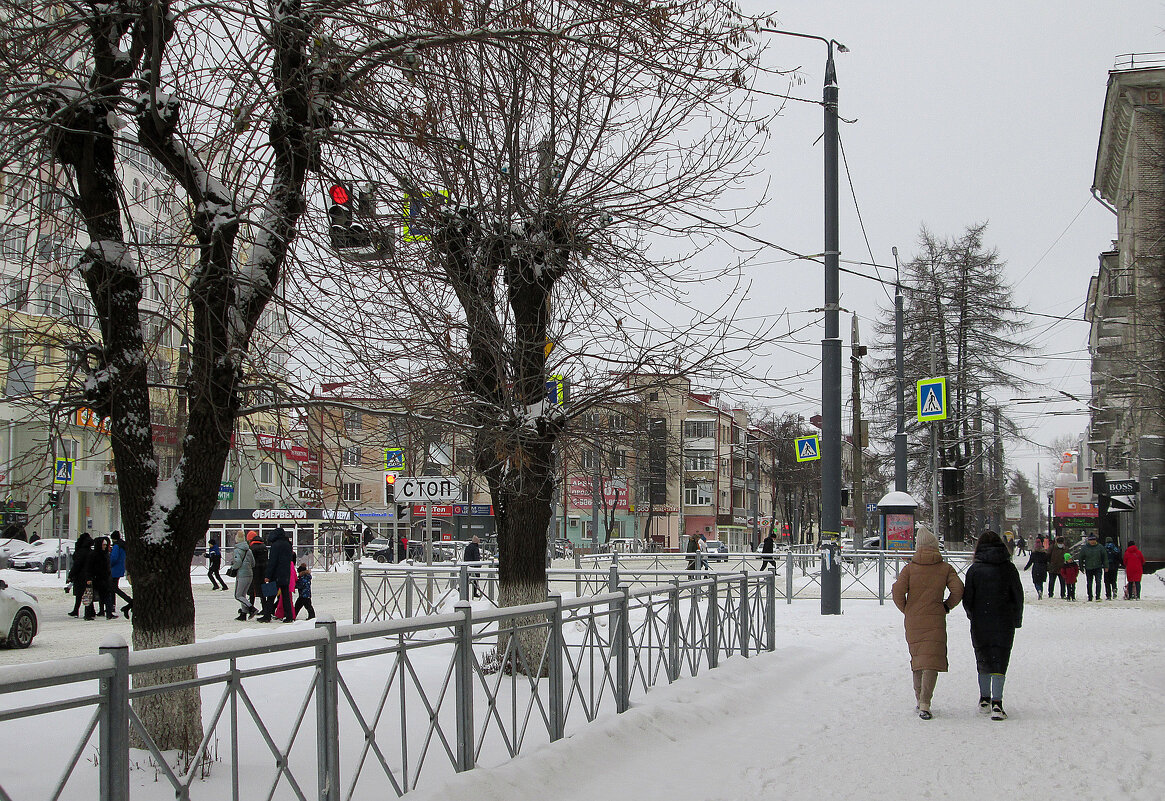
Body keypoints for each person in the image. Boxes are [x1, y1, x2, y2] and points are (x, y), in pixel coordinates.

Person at [891, 526, 964, 720]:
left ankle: (918, 699)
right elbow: (958, 590)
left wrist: (906, 609)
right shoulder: (945, 568)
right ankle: (925, 702)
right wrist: (946, 606)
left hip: (913, 619)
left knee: (918, 660)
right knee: (931, 659)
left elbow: (897, 591)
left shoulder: (909, 569)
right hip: (935, 618)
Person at [962, 530, 1023, 721]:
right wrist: (1016, 619)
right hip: (1004, 620)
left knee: (983, 656)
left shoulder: (974, 569)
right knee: (1000, 657)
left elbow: (968, 598)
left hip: (981, 620)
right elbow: (1018, 596)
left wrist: (972, 614)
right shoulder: (1009, 568)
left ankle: (984, 698)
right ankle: (997, 702)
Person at [260, 526, 294, 623]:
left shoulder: (276, 545)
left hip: (276, 574)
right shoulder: (288, 544)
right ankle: (289, 616)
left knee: (270, 596)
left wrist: (268, 575)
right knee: (286, 596)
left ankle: (267, 616)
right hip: (285, 574)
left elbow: (272, 562)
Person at [228, 531, 257, 621]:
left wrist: (233, 567)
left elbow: (238, 562)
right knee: (243, 595)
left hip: (241, 574)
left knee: (238, 595)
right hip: (250, 574)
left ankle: (251, 608)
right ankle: (243, 614)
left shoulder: (237, 550)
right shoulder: (248, 550)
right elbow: (253, 563)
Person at [67, 533, 94, 618]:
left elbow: (77, 565)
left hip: (80, 575)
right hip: (88, 575)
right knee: (88, 593)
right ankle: (90, 611)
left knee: (80, 594)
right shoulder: (91, 551)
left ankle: (78, 611)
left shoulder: (80, 552)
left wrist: (71, 575)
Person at [86, 536, 114, 619]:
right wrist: (89, 578)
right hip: (95, 578)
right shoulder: (93, 555)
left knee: (106, 595)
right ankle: (89, 614)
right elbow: (89, 567)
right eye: (104, 545)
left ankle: (108, 613)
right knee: (91, 596)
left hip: (103, 578)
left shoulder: (105, 554)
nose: (105, 547)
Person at [109, 531, 133, 617]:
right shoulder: (123, 545)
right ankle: (113, 605)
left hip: (114, 569)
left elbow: (114, 558)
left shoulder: (116, 546)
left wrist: (109, 564)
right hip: (120, 568)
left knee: (113, 588)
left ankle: (129, 601)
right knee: (114, 587)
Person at [1078, 533, 1109, 602]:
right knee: (1089, 583)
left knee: (1098, 582)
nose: (1092, 541)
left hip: (1098, 567)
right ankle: (1090, 596)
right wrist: (1081, 567)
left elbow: (1105, 557)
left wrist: (1106, 566)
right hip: (1088, 568)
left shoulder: (1100, 547)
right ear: (1088, 540)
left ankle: (1098, 596)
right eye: (1091, 540)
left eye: (1093, 540)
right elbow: (1081, 558)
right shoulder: (1085, 548)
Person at [247, 530, 268, 612]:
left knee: (252, 591)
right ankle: (265, 608)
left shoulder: (251, 548)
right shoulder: (264, 546)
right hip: (263, 571)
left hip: (254, 571)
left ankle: (251, 607)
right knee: (263, 591)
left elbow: (250, 561)